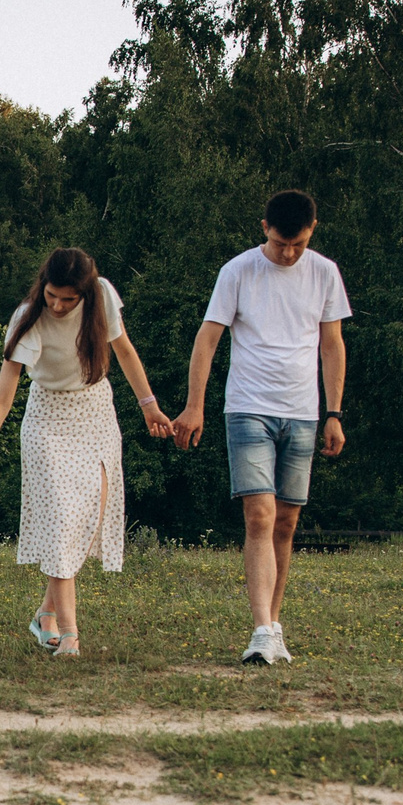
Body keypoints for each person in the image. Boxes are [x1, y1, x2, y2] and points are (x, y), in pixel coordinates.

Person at [0, 247, 172, 657]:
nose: (57, 305)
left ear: (85, 293)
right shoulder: (27, 319)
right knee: (60, 518)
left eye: (67, 299)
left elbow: (123, 351)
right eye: (52, 295)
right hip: (47, 419)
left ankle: (45, 615)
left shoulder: (103, 297)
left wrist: (148, 405)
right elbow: (4, 394)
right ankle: (70, 634)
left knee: (86, 521)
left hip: (94, 412)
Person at [169, 189, 350, 665]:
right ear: (264, 227)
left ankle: (274, 627)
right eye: (280, 243)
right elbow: (207, 340)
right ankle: (260, 629)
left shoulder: (325, 273)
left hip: (305, 412)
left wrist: (335, 413)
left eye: (299, 244)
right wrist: (194, 407)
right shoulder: (238, 271)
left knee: (286, 523)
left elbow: (332, 346)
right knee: (259, 517)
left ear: (312, 232)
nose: (289, 254)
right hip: (248, 406)